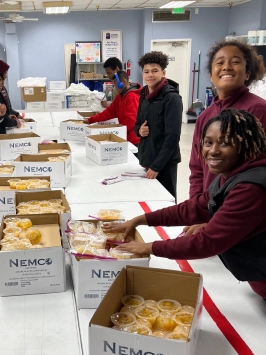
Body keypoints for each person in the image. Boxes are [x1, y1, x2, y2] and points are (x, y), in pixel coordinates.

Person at [102, 109, 266, 299]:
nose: (213, 151)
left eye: (225, 143)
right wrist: (140, 220)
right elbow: (194, 208)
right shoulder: (232, 175)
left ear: (245, 145)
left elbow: (208, 242)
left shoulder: (251, 186)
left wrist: (149, 247)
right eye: (208, 142)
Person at [189, 40, 266, 199]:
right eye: (220, 62)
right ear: (211, 75)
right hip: (210, 207)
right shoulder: (205, 116)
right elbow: (197, 169)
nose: (227, 67)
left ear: (247, 74)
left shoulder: (257, 110)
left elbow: (257, 174)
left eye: (236, 62)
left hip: (239, 211)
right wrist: (196, 209)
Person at [135, 51, 182, 202]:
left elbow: (172, 137)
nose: (150, 75)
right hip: (147, 157)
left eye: (155, 71)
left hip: (164, 163)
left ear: (163, 72)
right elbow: (137, 123)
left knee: (164, 201)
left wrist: (156, 167)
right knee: (149, 200)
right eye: (146, 71)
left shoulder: (171, 98)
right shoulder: (143, 94)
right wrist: (139, 131)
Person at [82, 70, 142, 145]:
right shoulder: (119, 96)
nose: (116, 87)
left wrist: (117, 130)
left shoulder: (132, 97)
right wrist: (91, 120)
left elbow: (132, 120)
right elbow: (109, 112)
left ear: (124, 82)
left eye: (117, 84)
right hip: (125, 136)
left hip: (134, 140)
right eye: (114, 85)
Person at [0, 70, 20, 153]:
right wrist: (16, 122)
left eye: (1, 80)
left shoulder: (0, 92)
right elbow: (3, 120)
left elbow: (4, 112)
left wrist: (11, 115)